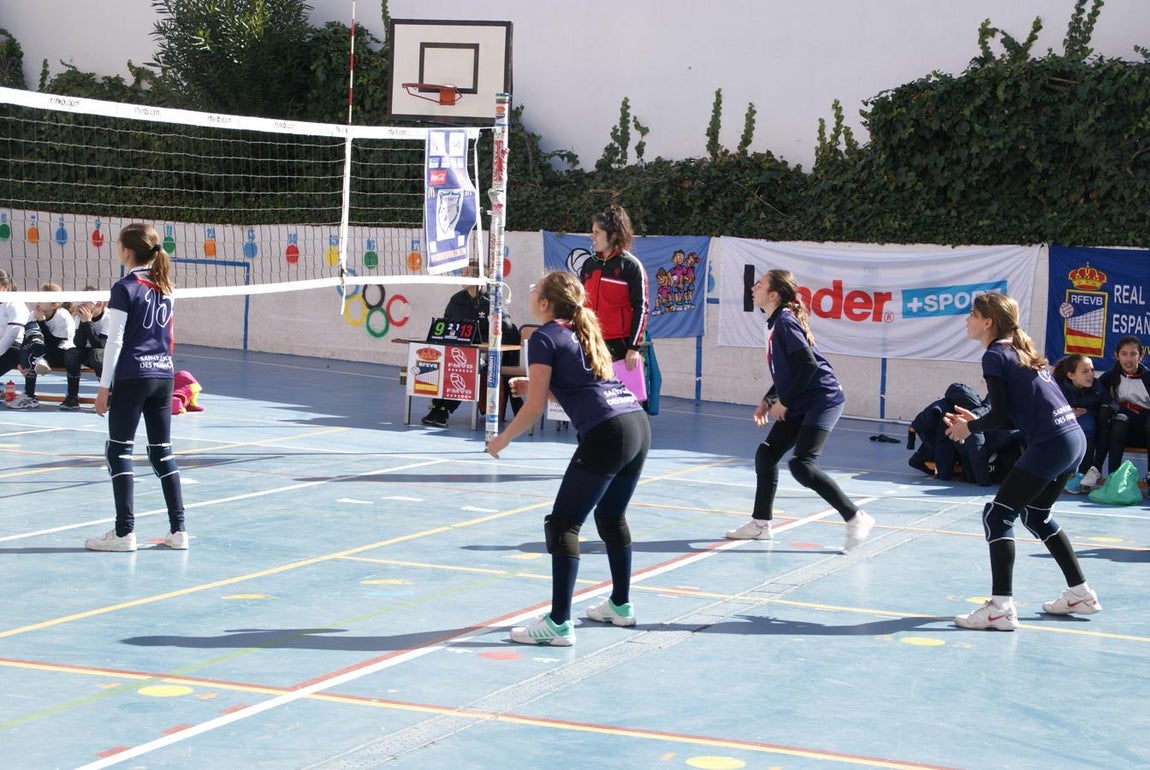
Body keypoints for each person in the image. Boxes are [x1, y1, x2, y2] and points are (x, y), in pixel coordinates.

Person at [486, 271, 650, 647]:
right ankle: (620, 605)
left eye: (535, 289)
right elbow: (584, 387)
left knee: (563, 524)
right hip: (636, 425)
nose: (531, 291)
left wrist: (503, 440)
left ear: (545, 304)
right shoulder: (581, 329)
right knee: (610, 517)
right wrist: (542, 387)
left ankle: (559, 623)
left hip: (608, 433)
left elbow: (534, 408)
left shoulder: (543, 337)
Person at [944, 292, 1100, 631]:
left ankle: (1001, 607)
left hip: (1052, 444)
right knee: (1037, 516)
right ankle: (1081, 593)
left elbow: (1000, 416)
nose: (967, 320)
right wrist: (977, 418)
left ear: (988, 322)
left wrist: (969, 427)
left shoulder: (994, 355)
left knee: (998, 515)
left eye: (972, 314)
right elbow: (1012, 411)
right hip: (1072, 439)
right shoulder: (1018, 352)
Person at [724, 269, 874, 551]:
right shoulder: (774, 322)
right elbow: (786, 370)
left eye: (760, 284)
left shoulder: (784, 322)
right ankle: (760, 524)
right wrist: (769, 399)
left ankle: (856, 517)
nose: (754, 288)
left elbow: (808, 365)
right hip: (802, 397)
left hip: (822, 398)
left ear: (774, 295)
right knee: (766, 455)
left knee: (801, 465)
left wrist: (785, 402)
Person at [83, 223, 188, 552]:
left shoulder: (125, 287)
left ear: (127, 250)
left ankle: (124, 533)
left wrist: (103, 387)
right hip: (164, 375)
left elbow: (114, 341)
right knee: (162, 453)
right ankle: (179, 530)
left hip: (133, 375)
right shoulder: (165, 286)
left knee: (118, 451)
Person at [421, 265, 521, 428]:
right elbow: (445, 324)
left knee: (464, 364)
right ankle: (436, 406)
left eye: (469, 273)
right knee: (437, 362)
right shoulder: (456, 300)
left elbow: (509, 330)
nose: (464, 276)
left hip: (485, 356)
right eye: (463, 273)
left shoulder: (492, 300)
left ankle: (446, 409)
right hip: (458, 350)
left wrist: (491, 342)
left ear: (480, 277)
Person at [578, 204, 648, 372]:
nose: (592, 237)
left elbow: (641, 308)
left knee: (622, 395)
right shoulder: (589, 264)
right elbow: (579, 303)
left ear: (614, 235)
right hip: (591, 339)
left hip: (620, 344)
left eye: (597, 233)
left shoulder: (631, 266)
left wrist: (633, 347)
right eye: (592, 232)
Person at [1052, 353, 1114, 493]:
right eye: (1085, 371)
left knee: (1087, 424)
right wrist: (1067, 413)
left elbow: (1110, 405)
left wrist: (1091, 412)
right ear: (1071, 375)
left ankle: (1084, 474)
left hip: (1092, 427)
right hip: (1062, 426)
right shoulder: (1057, 387)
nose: (1090, 374)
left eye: (1092, 370)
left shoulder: (1097, 386)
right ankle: (1063, 474)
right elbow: (1047, 408)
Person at [1096, 335, 1149, 482]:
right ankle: (1114, 477)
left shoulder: (1148, 378)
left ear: (1141, 356)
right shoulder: (1109, 377)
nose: (1128, 359)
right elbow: (1094, 397)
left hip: (1145, 431)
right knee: (1117, 419)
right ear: (1116, 355)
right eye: (1124, 354)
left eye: (1133, 354)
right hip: (1121, 430)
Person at [0, 272, 46, 409]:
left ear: (3, 286)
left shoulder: (15, 303)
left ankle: (29, 396)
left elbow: (11, 335)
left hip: (17, 347)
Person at [61, 286, 109, 410]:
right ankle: (72, 397)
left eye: (85, 303)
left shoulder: (109, 317)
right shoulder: (80, 316)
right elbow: (79, 344)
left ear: (99, 304)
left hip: (109, 355)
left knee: (96, 355)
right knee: (72, 353)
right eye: (81, 302)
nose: (82, 306)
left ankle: (109, 396)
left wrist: (88, 323)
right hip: (89, 353)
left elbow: (101, 345)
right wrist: (83, 322)